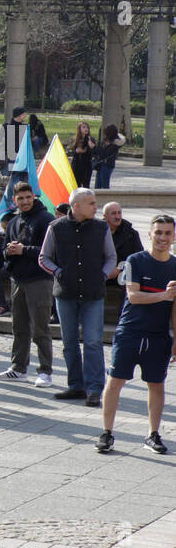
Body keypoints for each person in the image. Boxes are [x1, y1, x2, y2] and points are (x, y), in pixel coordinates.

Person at [97, 215, 176, 454]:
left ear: (174, 237)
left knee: (157, 385)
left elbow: (175, 307)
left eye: (167, 233)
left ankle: (153, 434)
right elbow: (134, 296)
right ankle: (107, 433)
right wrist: (164, 295)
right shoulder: (135, 260)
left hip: (159, 335)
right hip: (130, 331)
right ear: (150, 234)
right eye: (158, 232)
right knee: (115, 382)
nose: (162, 237)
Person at [40, 188, 117, 408]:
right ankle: (76, 385)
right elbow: (44, 258)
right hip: (65, 294)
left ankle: (94, 388)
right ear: (76, 206)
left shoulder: (101, 228)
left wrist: (102, 275)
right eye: (91, 203)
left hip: (93, 294)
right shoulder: (56, 227)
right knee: (69, 342)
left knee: (93, 341)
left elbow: (111, 257)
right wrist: (59, 272)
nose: (96, 206)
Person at [0, 182, 55, 386]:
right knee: (19, 327)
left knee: (41, 328)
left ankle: (45, 371)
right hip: (18, 280)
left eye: (28, 197)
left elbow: (49, 250)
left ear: (34, 197)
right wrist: (9, 250)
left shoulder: (46, 219)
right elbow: (4, 249)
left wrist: (24, 250)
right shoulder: (14, 221)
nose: (24, 201)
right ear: (14, 200)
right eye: (20, 198)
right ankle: (18, 368)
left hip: (39, 281)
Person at [91, 124, 124, 189]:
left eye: (106, 132)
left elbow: (104, 154)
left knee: (105, 185)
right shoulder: (105, 140)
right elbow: (99, 151)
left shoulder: (114, 143)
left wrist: (94, 147)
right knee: (97, 185)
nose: (105, 134)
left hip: (107, 165)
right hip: (100, 165)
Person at [69, 122, 96, 190]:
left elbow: (93, 152)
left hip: (86, 165)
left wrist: (90, 148)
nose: (86, 129)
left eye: (87, 127)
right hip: (77, 165)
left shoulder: (90, 139)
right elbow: (70, 150)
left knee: (86, 186)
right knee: (76, 185)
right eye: (83, 127)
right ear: (79, 129)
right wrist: (76, 151)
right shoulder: (75, 139)